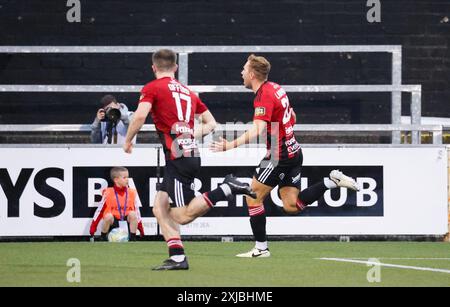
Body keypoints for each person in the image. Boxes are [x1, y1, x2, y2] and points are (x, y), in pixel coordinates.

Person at [211, 54, 360, 257]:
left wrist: (229, 145)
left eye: (244, 70)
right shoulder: (276, 87)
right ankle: (331, 182)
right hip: (294, 151)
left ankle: (261, 249)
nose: (242, 73)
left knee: (252, 197)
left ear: (253, 74)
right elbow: (293, 116)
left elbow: (256, 130)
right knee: (292, 205)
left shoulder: (264, 95)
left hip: (278, 155)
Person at [123, 49, 256, 270]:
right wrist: (188, 134)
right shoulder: (188, 92)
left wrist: (128, 140)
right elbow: (212, 124)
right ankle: (177, 257)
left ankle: (226, 188)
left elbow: (139, 115)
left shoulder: (152, 88)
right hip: (189, 153)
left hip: (178, 157)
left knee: (182, 215)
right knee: (159, 207)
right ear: (175, 68)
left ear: (154, 67)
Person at [89, 167, 145, 241]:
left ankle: (133, 238)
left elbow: (137, 213)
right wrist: (93, 229)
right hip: (113, 221)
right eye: (124, 177)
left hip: (126, 220)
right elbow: (99, 211)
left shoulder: (132, 192)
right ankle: (103, 237)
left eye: (127, 177)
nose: (127, 179)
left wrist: (141, 229)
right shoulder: (107, 192)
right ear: (116, 180)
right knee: (108, 216)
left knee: (133, 214)